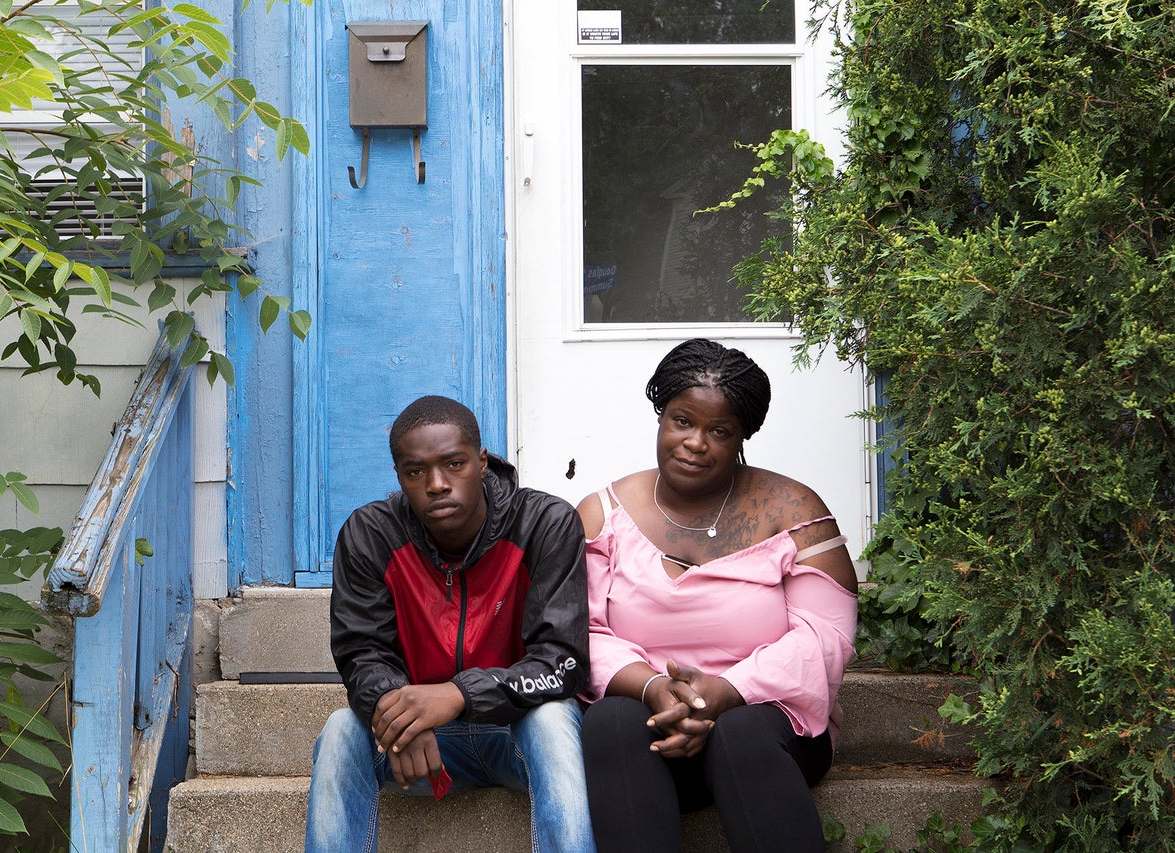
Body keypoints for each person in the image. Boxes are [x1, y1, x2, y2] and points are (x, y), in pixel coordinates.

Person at [576, 339, 858, 853]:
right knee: (610, 721)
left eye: (719, 431)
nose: (695, 443)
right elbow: (580, 633)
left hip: (767, 732)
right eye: (682, 421)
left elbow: (827, 637)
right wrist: (655, 690)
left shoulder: (794, 510)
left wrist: (723, 694)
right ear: (661, 416)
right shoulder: (603, 514)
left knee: (741, 732)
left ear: (743, 435)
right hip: (651, 730)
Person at [304, 395, 595, 853]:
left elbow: (563, 662)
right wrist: (399, 714)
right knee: (342, 729)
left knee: (555, 719)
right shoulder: (371, 534)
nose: (436, 484)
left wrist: (459, 694)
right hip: (423, 750)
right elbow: (362, 654)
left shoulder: (543, 523)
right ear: (399, 475)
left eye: (454, 464)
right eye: (414, 472)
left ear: (482, 462)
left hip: (517, 735)